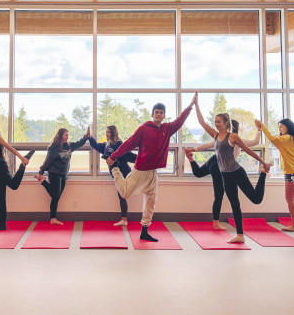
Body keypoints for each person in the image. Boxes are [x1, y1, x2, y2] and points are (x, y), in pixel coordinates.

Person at [106, 96, 196, 242]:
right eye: (157, 112)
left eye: (161, 112)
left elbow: (180, 121)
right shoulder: (144, 129)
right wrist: (114, 157)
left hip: (153, 173)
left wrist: (191, 105)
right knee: (124, 193)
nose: (159, 114)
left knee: (150, 203)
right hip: (140, 170)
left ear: (164, 115)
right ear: (152, 114)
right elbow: (129, 143)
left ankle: (144, 231)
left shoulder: (167, 128)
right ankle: (116, 170)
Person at [193, 93, 271, 243]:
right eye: (215, 122)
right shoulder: (215, 136)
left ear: (225, 122)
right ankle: (240, 235)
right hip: (225, 175)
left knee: (256, 199)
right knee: (235, 204)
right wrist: (196, 104)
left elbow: (249, 150)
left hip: (237, 172)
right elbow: (202, 122)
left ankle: (262, 174)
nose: (216, 124)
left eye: (219, 122)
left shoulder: (233, 137)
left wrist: (263, 163)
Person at [183, 119, 261, 230]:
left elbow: (206, 145)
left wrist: (193, 150)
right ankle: (216, 224)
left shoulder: (220, 138)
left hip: (213, 160)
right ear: (237, 129)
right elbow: (255, 142)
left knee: (199, 173)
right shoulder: (236, 140)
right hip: (221, 167)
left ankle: (190, 159)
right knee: (219, 195)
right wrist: (258, 129)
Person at [0, 118, 34, 231]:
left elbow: (10, 148)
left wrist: (22, 158)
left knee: (13, 185)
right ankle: (2, 224)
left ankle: (22, 166)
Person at [255, 118, 294, 232]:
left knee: (289, 199)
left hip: (291, 172)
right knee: (293, 198)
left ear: (288, 127)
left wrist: (261, 126)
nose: (280, 129)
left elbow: (271, 138)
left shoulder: (286, 138)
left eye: (281, 126)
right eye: (279, 126)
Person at [35, 127, 90, 225]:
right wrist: (41, 171)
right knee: (55, 196)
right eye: (65, 136)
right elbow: (48, 160)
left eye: (68, 136)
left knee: (56, 196)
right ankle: (53, 218)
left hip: (63, 174)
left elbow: (78, 144)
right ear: (60, 136)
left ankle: (52, 218)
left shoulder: (69, 146)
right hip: (54, 173)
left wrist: (85, 137)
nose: (67, 137)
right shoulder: (54, 147)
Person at [88, 125, 137, 226]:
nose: (107, 134)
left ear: (114, 133)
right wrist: (89, 138)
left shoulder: (119, 145)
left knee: (122, 196)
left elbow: (132, 157)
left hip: (124, 174)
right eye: (106, 132)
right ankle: (124, 219)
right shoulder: (107, 144)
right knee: (122, 196)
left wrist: (147, 158)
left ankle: (124, 219)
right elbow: (96, 146)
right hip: (116, 174)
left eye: (109, 132)